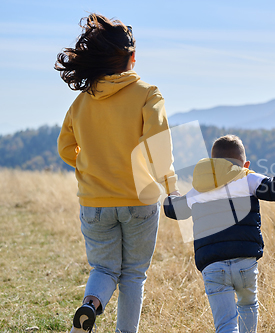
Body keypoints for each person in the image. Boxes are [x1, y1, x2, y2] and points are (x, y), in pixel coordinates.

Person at [56, 13, 178, 333]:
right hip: (140, 200)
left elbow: (65, 148)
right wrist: (171, 186)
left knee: (104, 268)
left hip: (95, 202)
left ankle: (90, 305)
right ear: (132, 59)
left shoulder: (82, 102)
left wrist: (88, 166)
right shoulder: (148, 94)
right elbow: (159, 149)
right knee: (134, 275)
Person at [163, 135, 275, 333]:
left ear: (211, 163)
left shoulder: (197, 191)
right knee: (248, 305)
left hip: (212, 267)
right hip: (244, 262)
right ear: (245, 163)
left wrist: (171, 195)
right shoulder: (247, 177)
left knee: (226, 324)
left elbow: (174, 210)